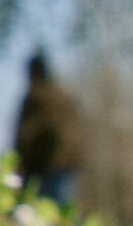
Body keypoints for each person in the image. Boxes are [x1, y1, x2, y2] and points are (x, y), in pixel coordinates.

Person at [13, 52, 83, 206]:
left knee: (42, 212)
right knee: (62, 213)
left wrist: (19, 161)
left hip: (44, 166)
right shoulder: (63, 96)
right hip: (65, 164)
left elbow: (26, 134)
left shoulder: (35, 97)